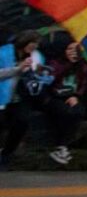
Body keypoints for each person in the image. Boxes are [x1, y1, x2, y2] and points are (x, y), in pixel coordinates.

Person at [0, 31, 47, 170]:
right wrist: (18, 69)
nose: (34, 47)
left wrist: (38, 73)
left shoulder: (36, 57)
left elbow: (41, 79)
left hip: (20, 97)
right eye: (32, 43)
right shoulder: (4, 53)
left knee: (22, 121)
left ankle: (7, 154)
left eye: (36, 45)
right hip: (2, 96)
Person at [43, 40, 87, 166]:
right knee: (64, 112)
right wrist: (69, 64)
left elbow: (84, 84)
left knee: (78, 112)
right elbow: (51, 79)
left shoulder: (83, 65)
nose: (72, 52)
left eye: (75, 50)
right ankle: (60, 146)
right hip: (55, 96)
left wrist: (76, 96)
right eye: (69, 49)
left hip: (72, 97)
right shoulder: (55, 63)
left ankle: (63, 146)